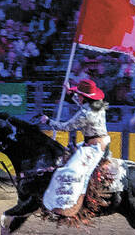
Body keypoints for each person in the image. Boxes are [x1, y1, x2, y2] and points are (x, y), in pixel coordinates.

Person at [38, 79, 110, 216]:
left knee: (75, 171)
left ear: (83, 96)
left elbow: (66, 127)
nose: (78, 96)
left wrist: (48, 121)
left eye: (79, 94)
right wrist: (70, 93)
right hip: (98, 142)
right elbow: (83, 105)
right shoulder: (98, 105)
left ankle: (75, 205)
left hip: (93, 147)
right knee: (65, 156)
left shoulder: (85, 114)